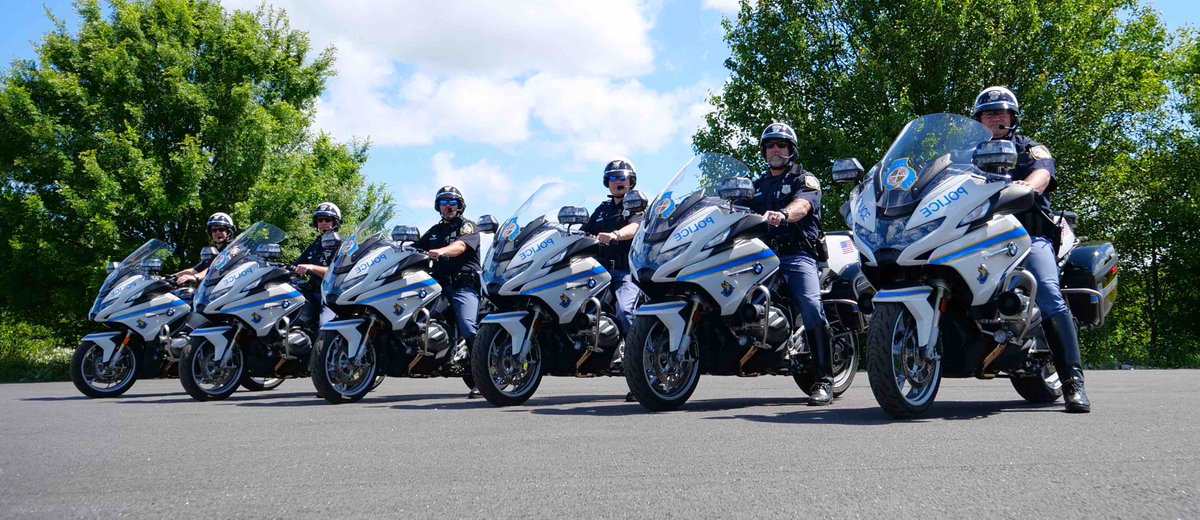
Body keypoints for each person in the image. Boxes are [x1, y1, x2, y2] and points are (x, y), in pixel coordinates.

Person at [973, 85, 1089, 413]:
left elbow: (1042, 173)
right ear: (978, 120)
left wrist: (1026, 185)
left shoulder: (1029, 149)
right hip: (976, 239)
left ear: (1013, 118)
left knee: (1049, 293)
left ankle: (1073, 383)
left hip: (1028, 235)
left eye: (1001, 112)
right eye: (987, 113)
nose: (994, 117)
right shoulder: (963, 156)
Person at [748, 122, 835, 406]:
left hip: (796, 254)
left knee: (810, 305)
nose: (775, 149)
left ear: (791, 150)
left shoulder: (804, 179)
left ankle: (824, 379)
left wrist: (784, 214)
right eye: (771, 145)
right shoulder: (756, 186)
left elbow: (803, 205)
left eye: (781, 145)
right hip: (759, 257)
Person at [413, 186, 481, 395]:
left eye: (452, 202)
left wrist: (440, 252)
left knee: (468, 328)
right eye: (443, 203)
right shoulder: (434, 231)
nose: (448, 206)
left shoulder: (468, 227)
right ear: (438, 207)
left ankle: (483, 376)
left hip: (464, 286)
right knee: (415, 319)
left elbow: (460, 247)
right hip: (438, 286)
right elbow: (415, 249)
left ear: (459, 206)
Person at [580, 158, 645, 373]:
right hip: (599, 272)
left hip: (625, 271)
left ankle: (638, 359)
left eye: (622, 177)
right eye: (613, 178)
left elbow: (636, 226)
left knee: (626, 311)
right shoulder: (602, 209)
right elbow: (583, 233)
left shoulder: (636, 204)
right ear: (606, 182)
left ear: (631, 181)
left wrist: (616, 235)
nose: (617, 182)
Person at [293, 202, 342, 330]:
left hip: (331, 295)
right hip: (311, 293)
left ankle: (322, 349)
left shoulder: (343, 244)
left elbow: (339, 272)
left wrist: (312, 268)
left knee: (325, 326)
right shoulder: (315, 245)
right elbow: (296, 265)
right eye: (320, 220)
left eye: (328, 220)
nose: (324, 223)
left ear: (335, 222)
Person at [172, 212, 236, 285]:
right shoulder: (213, 251)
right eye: (214, 230)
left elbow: (215, 268)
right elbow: (194, 270)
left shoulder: (233, 248)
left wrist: (196, 277)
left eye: (221, 229)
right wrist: (170, 277)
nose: (217, 232)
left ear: (229, 232)